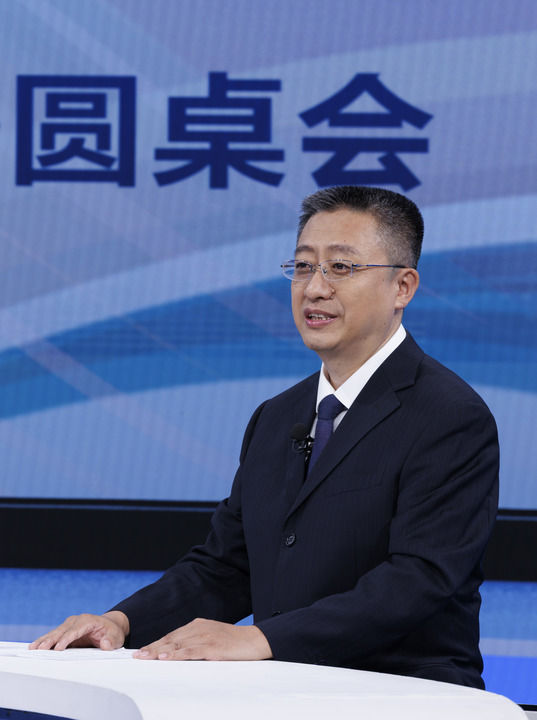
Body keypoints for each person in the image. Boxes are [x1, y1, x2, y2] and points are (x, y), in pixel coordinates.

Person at [30, 186, 499, 689]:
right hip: (286, 689)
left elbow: (419, 579)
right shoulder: (277, 417)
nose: (314, 288)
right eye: (303, 266)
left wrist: (261, 639)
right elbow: (227, 567)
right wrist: (120, 623)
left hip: (406, 692)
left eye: (341, 267)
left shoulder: (450, 416)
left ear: (402, 287)